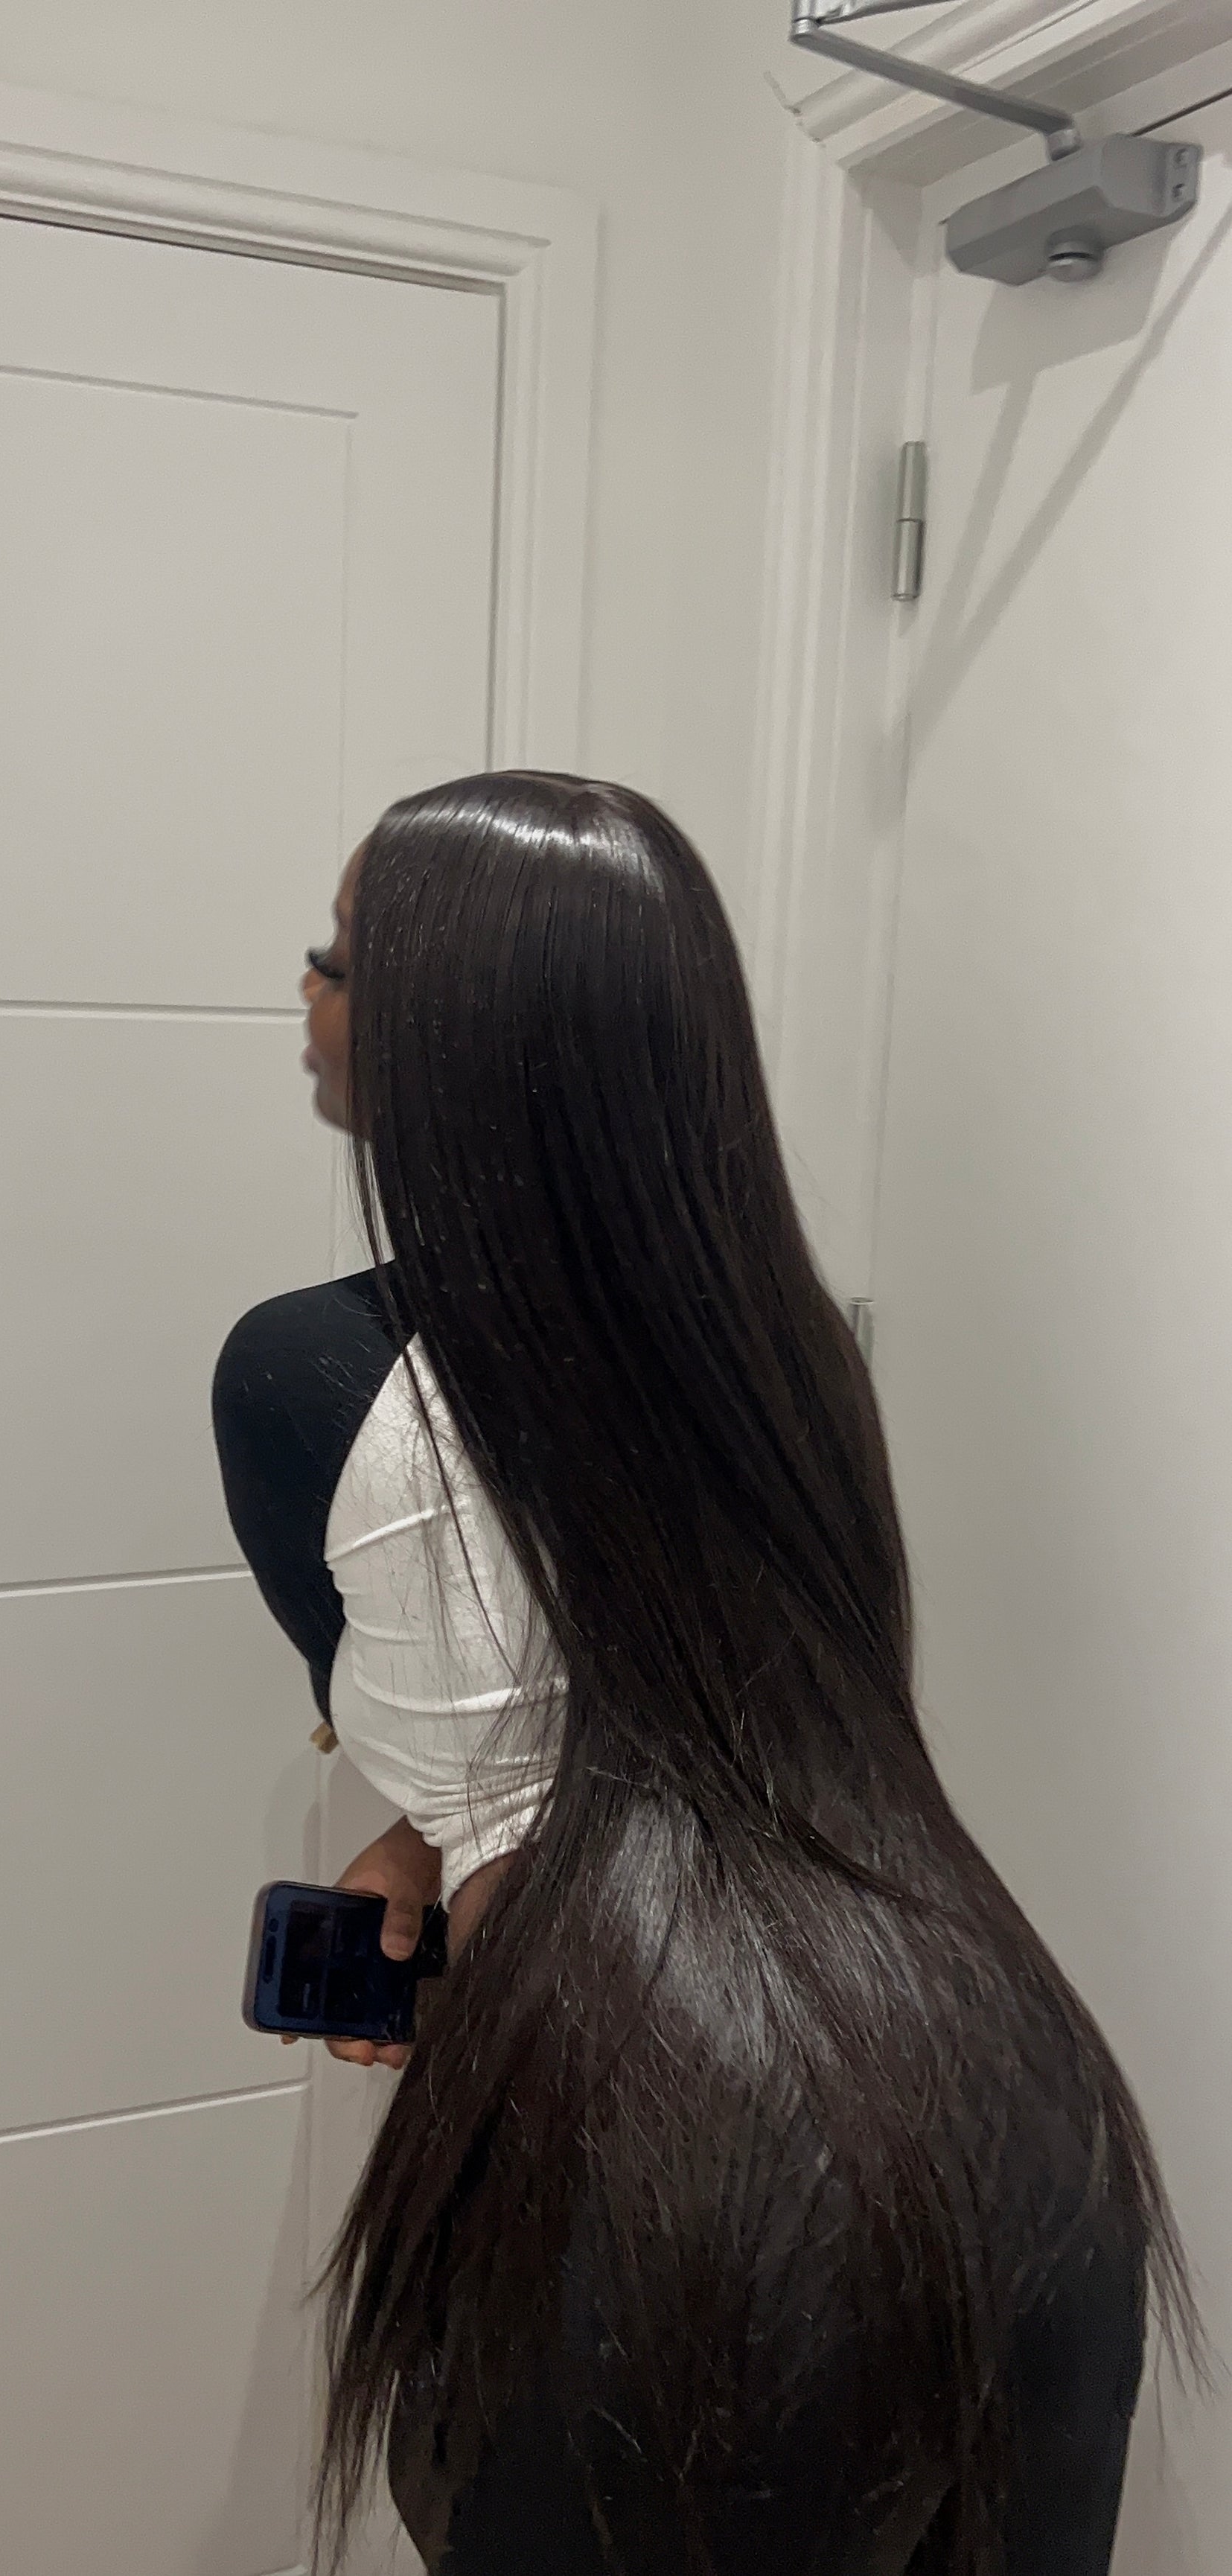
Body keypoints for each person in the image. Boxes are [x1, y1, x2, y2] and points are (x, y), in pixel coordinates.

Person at [213, 773, 1195, 2575]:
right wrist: (431, 1836)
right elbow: (690, 1686)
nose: (306, 989)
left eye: (336, 959)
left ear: (452, 1035)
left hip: (656, 2163)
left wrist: (443, 1815)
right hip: (995, 2082)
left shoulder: (304, 1378)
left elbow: (458, 1703)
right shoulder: (788, 1349)